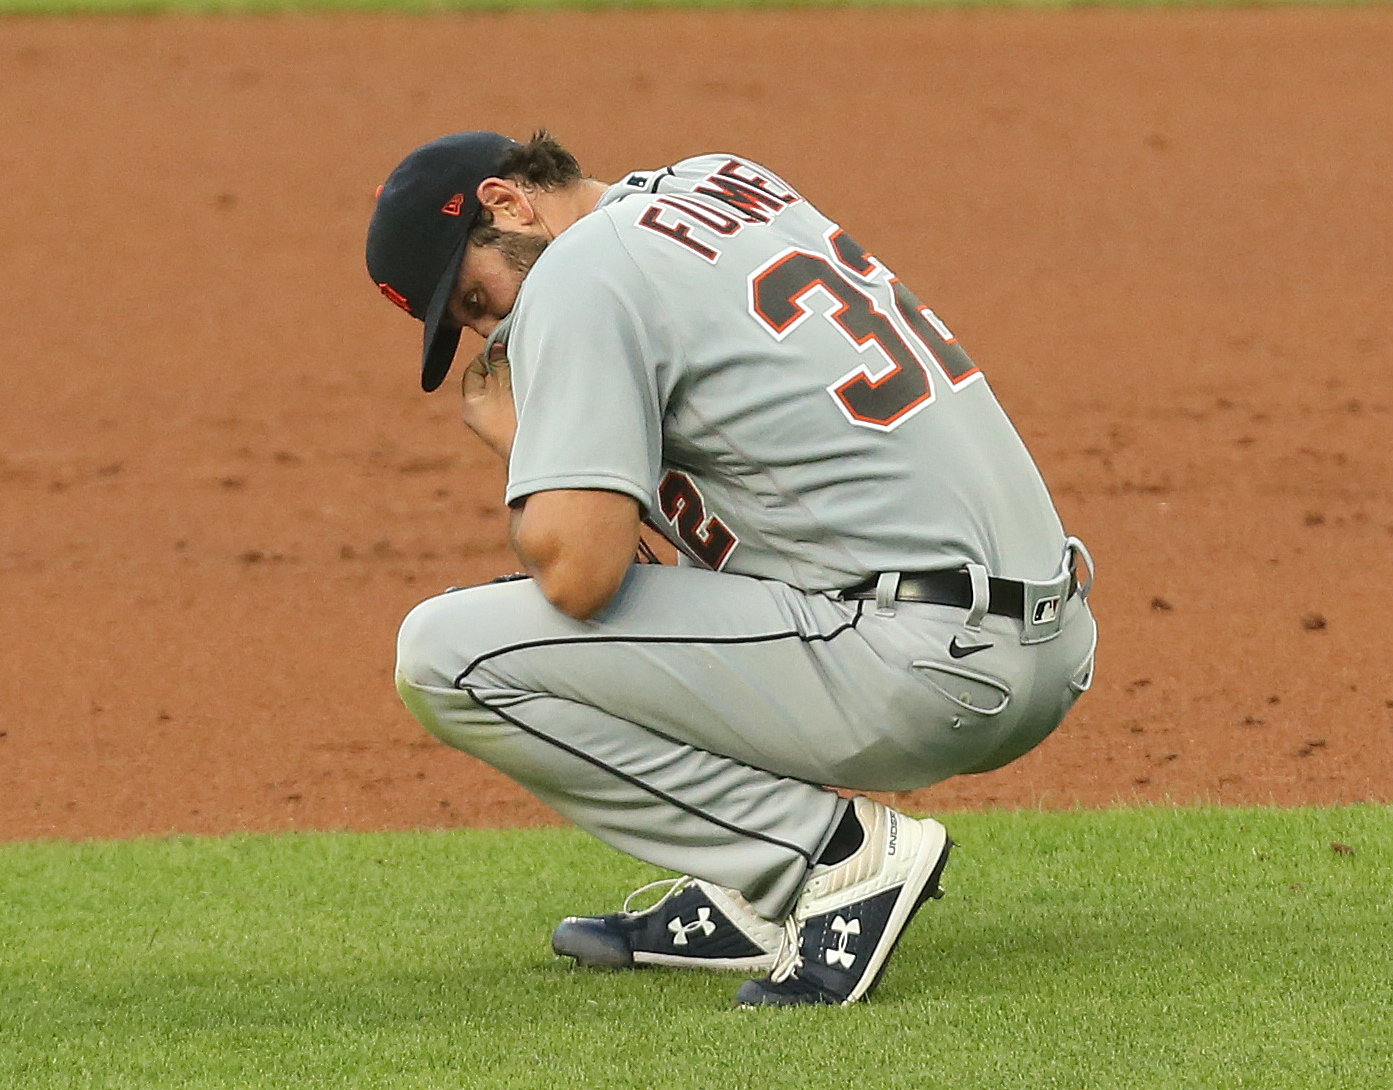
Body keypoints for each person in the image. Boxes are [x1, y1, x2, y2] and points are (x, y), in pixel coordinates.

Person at [364, 130, 1097, 1007]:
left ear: (509, 203)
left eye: (478, 299)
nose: (491, 332)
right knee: (704, 571)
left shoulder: (578, 273)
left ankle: (829, 856)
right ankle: (752, 900)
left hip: (925, 661)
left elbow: (582, 576)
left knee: (445, 658)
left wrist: (521, 443)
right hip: (1037, 639)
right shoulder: (721, 184)